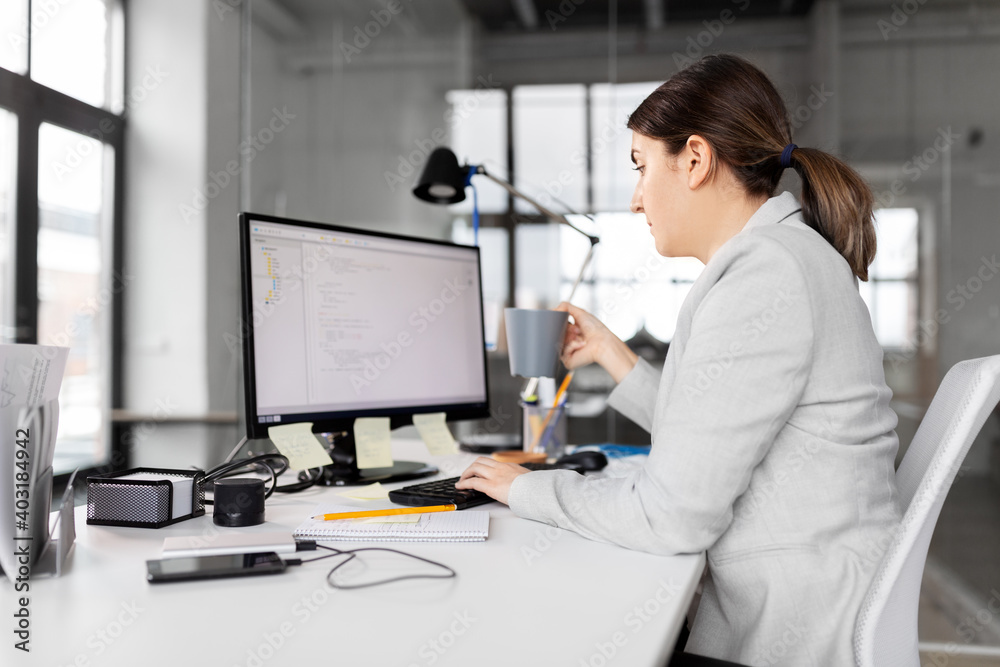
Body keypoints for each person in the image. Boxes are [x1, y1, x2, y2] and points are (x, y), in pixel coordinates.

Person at [456, 54, 901, 666]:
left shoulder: (764, 274)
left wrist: (529, 489)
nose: (638, 200)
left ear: (695, 159)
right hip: (809, 598)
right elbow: (713, 432)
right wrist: (611, 355)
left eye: (641, 168)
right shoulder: (784, 255)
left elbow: (671, 518)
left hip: (788, 632)